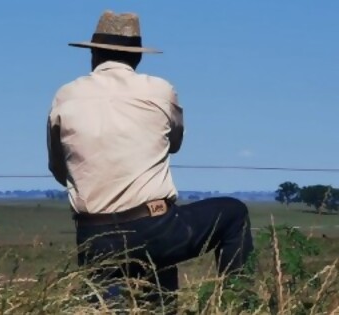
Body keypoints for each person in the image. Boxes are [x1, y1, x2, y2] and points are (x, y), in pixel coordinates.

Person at [46, 10, 254, 309]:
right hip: (155, 228)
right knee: (234, 213)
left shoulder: (65, 95)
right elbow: (175, 144)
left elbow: (58, 168)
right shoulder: (159, 90)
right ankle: (238, 305)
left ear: (93, 54)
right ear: (138, 57)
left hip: (94, 236)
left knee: (108, 305)